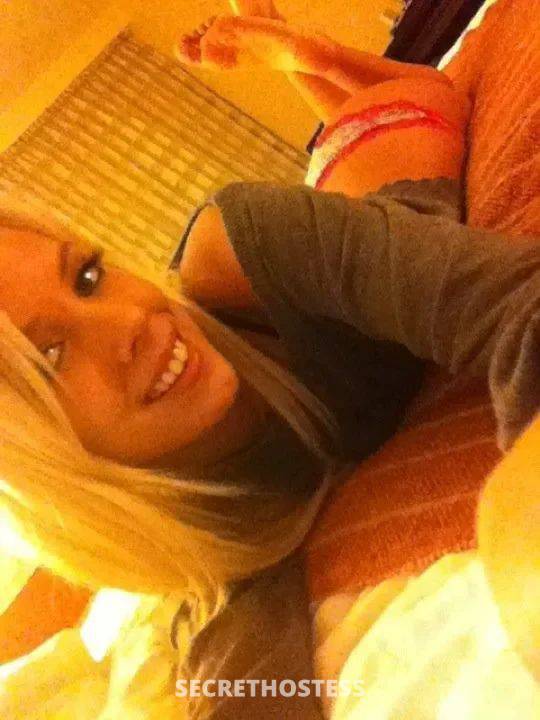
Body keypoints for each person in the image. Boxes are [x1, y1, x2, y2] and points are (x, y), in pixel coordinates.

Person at [0, 7, 539, 720]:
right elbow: (243, 642)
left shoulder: (250, 240)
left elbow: (518, 307)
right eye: (52, 356)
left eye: (89, 276)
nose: (128, 321)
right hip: (336, 203)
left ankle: (300, 52)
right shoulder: (188, 552)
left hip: (391, 153)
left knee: (417, 92)